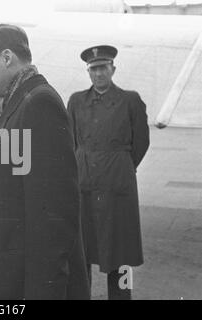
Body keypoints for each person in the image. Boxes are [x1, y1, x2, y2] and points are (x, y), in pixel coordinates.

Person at [0, 24, 90, 299]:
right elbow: (14, 194)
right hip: (12, 275)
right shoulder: (18, 104)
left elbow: (54, 216)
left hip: (28, 286)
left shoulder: (39, 104)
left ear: (7, 57)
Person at [67, 45, 150, 300]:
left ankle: (123, 297)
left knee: (121, 251)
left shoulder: (130, 100)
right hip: (85, 185)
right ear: (88, 72)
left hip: (118, 187)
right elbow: (70, 142)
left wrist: (120, 166)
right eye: (93, 69)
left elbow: (141, 142)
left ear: (113, 69)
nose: (98, 74)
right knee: (82, 251)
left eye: (103, 68)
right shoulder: (76, 101)